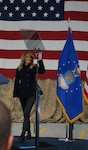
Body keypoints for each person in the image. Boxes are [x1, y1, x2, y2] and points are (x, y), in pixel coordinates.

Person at [13, 51, 45, 142]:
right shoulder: (19, 68)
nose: (28, 59)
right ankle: (29, 133)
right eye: (27, 57)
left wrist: (40, 59)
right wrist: (15, 95)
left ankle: (23, 133)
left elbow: (42, 70)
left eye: (30, 58)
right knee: (26, 114)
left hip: (32, 93)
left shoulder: (34, 67)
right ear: (23, 58)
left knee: (26, 112)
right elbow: (16, 83)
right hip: (22, 93)